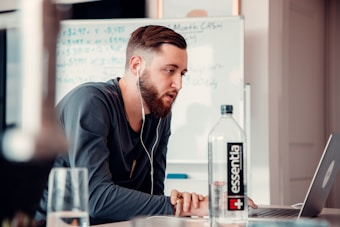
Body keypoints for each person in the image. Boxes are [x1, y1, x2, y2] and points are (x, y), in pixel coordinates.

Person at [35, 24, 257, 225]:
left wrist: (183, 204)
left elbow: (153, 197)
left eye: (182, 74)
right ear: (136, 65)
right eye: (170, 70)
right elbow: (97, 198)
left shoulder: (160, 115)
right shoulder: (91, 101)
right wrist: (193, 206)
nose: (178, 84)